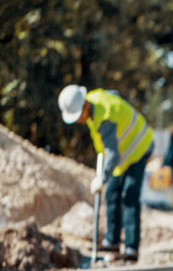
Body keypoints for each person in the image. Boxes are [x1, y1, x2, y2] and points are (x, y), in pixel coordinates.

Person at [58, 85, 154, 261]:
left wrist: (102, 177)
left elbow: (112, 153)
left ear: (85, 106)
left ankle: (132, 249)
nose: (78, 120)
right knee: (112, 193)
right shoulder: (95, 100)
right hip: (124, 157)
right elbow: (115, 95)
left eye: (78, 115)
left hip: (139, 147)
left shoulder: (105, 118)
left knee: (130, 195)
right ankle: (112, 241)